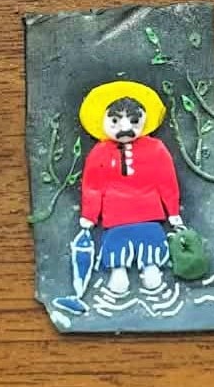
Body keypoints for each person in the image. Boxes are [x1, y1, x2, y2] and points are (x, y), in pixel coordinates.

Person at [78, 81, 182, 294]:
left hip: (149, 211)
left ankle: (151, 268)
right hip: (115, 213)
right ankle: (118, 272)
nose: (125, 128)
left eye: (134, 121)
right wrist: (90, 215)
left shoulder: (155, 148)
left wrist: (173, 212)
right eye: (115, 121)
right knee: (117, 244)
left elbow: (167, 180)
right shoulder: (100, 152)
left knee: (150, 241)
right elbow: (93, 186)